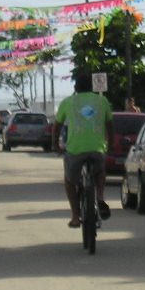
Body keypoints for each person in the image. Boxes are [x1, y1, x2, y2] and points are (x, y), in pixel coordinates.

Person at [53, 72, 113, 228]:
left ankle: (75, 216)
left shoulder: (68, 102)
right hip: (97, 148)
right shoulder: (102, 101)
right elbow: (110, 126)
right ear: (92, 87)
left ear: (75, 88)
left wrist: (56, 145)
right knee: (100, 172)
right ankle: (99, 198)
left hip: (75, 150)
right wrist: (110, 145)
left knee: (69, 181)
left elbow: (57, 126)